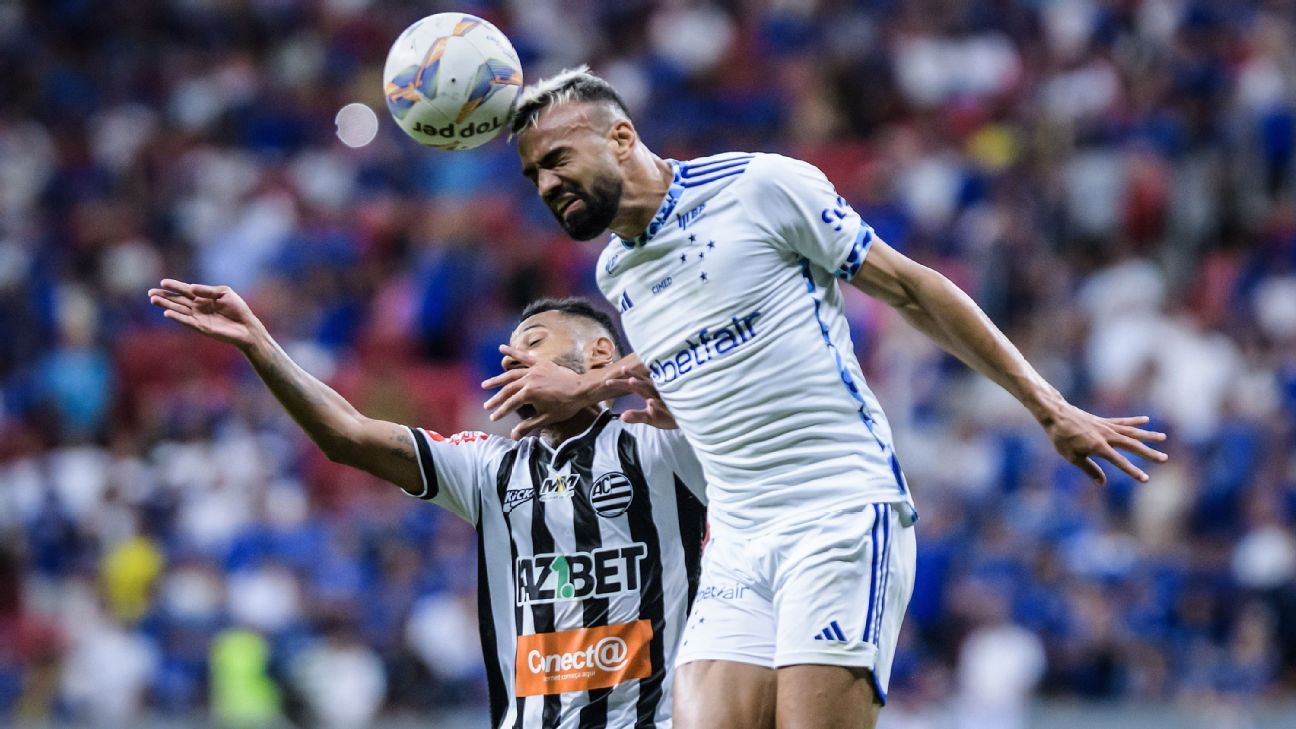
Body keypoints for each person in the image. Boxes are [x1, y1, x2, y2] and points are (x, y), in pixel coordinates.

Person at [482, 67, 1170, 729]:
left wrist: (1049, 406)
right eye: (533, 174)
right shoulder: (618, 270)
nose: (547, 183)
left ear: (622, 138)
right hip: (738, 540)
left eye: (558, 158)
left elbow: (910, 286)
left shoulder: (759, 188)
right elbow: (706, 348)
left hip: (836, 514)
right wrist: (672, 398)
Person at [147, 281, 708, 729]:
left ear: (602, 351)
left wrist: (591, 389)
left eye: (534, 342)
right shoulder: (490, 465)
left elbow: (732, 372)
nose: (515, 355)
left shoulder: (662, 442)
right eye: (511, 349)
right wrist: (258, 344)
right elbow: (348, 434)